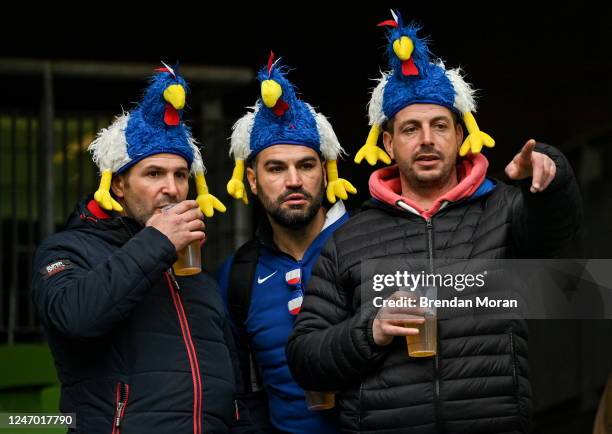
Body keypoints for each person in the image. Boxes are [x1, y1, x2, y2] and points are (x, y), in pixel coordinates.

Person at [286, 11, 583, 433]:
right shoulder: (349, 238)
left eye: (439, 125)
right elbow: (305, 359)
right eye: (411, 129)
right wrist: (371, 329)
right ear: (388, 143)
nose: (426, 139)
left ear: (460, 136)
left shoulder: (502, 210)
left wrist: (550, 176)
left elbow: (556, 231)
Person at [32, 64, 243, 434]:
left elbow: (230, 374)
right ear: (118, 186)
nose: (173, 188)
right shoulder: (67, 249)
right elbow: (75, 318)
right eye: (154, 174)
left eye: (181, 175)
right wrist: (158, 242)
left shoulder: (196, 272)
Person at [217, 53, 354, 433]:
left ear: (325, 174)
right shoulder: (237, 276)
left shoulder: (369, 243)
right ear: (253, 180)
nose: (294, 180)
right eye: (276, 168)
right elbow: (240, 388)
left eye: (306, 165)